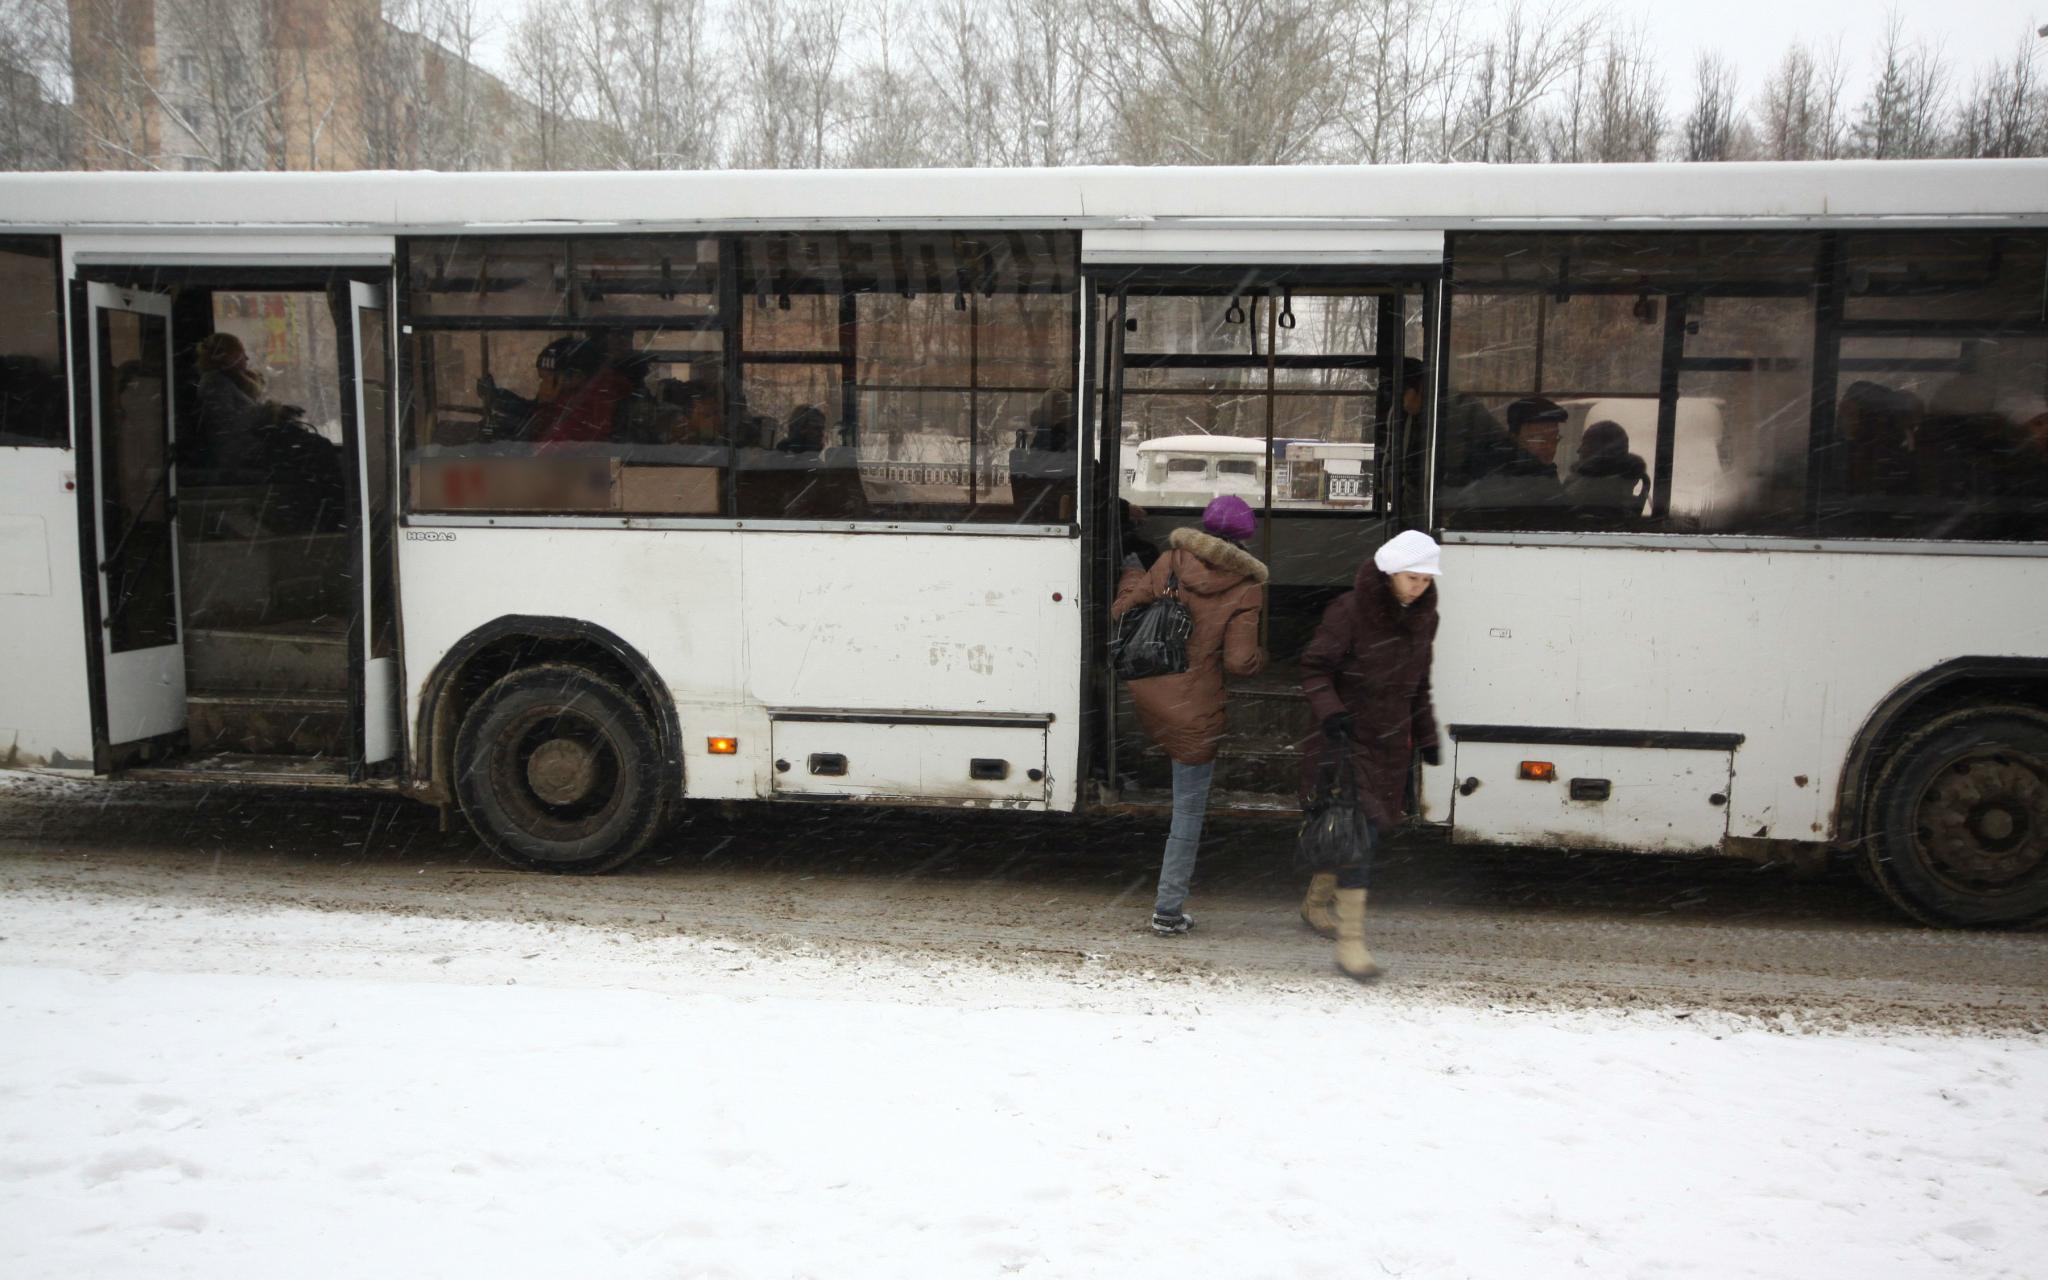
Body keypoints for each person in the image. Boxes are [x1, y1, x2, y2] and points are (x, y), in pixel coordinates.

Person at [1111, 494, 1269, 936]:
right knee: (1188, 810)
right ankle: (1168, 908)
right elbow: (1240, 662)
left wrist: (1131, 577)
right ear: (1244, 537)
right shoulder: (1245, 586)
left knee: (1171, 782)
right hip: (1194, 708)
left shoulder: (1171, 561)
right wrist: (1263, 658)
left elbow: (1123, 610)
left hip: (1149, 690)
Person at [1297, 528, 1441, 981]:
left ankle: (1315, 902)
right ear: (1390, 573)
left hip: (1391, 741)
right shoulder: (1350, 611)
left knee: (1357, 830)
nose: (1420, 588)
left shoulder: (1424, 618)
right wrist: (1332, 713)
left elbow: (1419, 684)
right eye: (1412, 578)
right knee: (1361, 839)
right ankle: (1351, 945)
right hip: (1346, 738)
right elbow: (1315, 667)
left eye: (1426, 580)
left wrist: (1427, 735)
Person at [191, 331, 345, 531]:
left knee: (317, 449)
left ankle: (327, 515)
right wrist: (272, 412)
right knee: (316, 452)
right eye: (240, 353)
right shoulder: (213, 383)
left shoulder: (229, 384)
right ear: (225, 356)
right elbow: (230, 423)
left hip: (251, 448)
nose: (246, 358)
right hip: (242, 453)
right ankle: (327, 518)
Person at [1456, 395, 1567, 509]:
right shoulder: (1495, 476)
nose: (1550, 447)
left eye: (1555, 438)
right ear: (1514, 437)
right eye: (1538, 438)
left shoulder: (1543, 471)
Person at [1563, 419, 1650, 518]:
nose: (1578, 450)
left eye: (1585, 444)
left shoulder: (1584, 495)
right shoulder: (1627, 490)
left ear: (1598, 451)